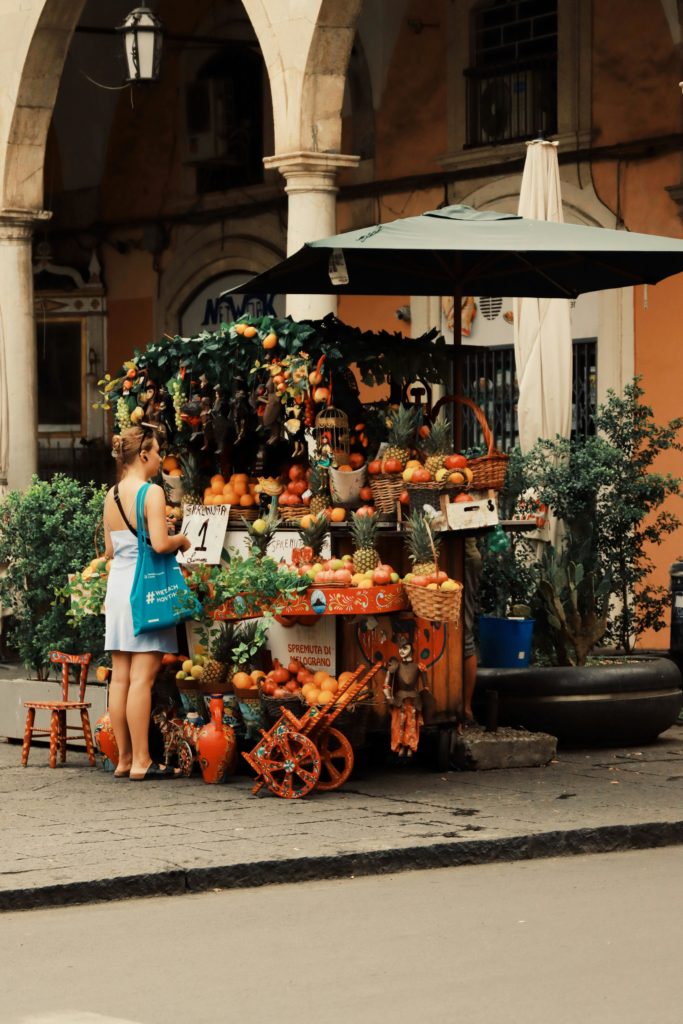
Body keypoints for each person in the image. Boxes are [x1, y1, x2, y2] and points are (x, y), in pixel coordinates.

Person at [103, 424, 192, 781]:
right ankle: (143, 759)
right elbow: (158, 544)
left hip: (119, 586)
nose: (159, 459)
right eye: (156, 453)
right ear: (142, 455)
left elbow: (110, 550)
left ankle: (124, 759)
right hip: (146, 589)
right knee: (143, 677)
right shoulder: (151, 492)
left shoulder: (110, 494)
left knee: (120, 677)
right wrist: (181, 538)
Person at [383, 641, 428, 756]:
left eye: (405, 648)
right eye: (400, 648)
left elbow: (426, 687)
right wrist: (388, 697)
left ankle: (410, 746)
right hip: (399, 700)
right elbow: (386, 685)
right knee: (398, 725)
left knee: (411, 724)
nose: (401, 651)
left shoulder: (419, 666)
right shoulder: (395, 666)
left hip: (414, 700)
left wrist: (425, 698)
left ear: (412, 650)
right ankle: (401, 746)